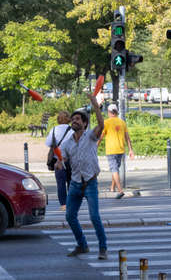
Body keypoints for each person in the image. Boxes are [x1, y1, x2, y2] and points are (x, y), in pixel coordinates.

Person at [56, 94, 107, 260]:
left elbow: (101, 124)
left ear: (85, 123)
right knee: (70, 216)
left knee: (94, 217)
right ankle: (82, 245)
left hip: (90, 182)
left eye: (78, 119)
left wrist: (95, 105)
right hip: (75, 184)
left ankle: (103, 248)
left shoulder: (91, 136)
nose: (74, 121)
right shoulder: (68, 143)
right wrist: (59, 163)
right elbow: (62, 159)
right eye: (73, 119)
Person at [97, 104, 134, 199]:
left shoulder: (106, 123)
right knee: (115, 169)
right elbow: (127, 137)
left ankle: (120, 190)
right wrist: (130, 149)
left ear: (109, 112)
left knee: (114, 170)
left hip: (111, 150)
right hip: (121, 149)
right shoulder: (122, 122)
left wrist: (95, 146)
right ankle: (112, 187)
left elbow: (100, 137)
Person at [45, 111, 74, 211]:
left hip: (58, 160)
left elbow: (48, 143)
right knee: (71, 182)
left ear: (58, 119)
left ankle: (63, 204)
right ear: (68, 119)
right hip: (71, 160)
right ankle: (71, 203)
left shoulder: (54, 130)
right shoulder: (72, 130)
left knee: (60, 183)